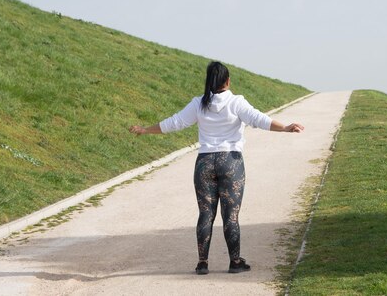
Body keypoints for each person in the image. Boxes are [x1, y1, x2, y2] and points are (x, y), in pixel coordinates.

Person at [129, 61, 304, 275]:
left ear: (209, 81)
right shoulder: (236, 102)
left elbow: (173, 123)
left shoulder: (198, 104)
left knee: (205, 213)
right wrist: (286, 128)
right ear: (228, 81)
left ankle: (202, 263)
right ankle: (235, 262)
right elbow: (260, 120)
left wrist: (145, 130)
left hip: (204, 163)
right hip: (231, 162)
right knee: (230, 215)